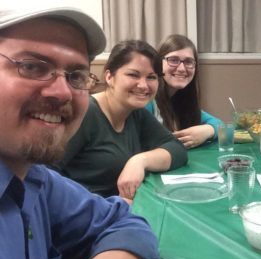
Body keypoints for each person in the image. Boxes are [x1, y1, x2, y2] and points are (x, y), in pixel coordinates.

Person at [0, 6, 159, 259]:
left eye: (75, 75)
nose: (62, 92)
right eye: (32, 66)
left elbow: (127, 225)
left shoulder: (36, 180)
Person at [52, 40, 188, 200]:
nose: (144, 85)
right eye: (133, 75)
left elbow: (177, 150)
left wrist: (139, 161)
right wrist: (104, 208)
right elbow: (47, 177)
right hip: (88, 216)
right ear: (109, 77)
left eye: (151, 77)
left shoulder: (136, 112)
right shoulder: (87, 113)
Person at [146, 34, 223, 149]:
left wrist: (207, 130)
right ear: (158, 63)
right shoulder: (148, 101)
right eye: (173, 60)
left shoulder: (180, 100)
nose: (182, 68)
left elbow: (219, 124)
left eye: (188, 62)